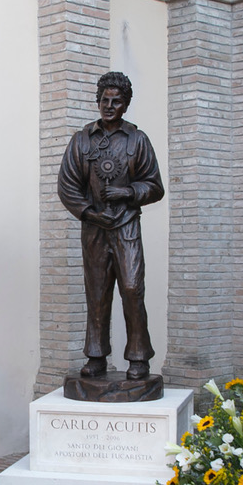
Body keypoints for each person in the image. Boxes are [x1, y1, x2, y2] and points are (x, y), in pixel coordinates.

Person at [57, 71, 164, 380]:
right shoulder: (81, 140)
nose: (109, 106)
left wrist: (128, 192)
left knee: (132, 289)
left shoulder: (137, 140)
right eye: (104, 100)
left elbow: (154, 186)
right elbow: (67, 186)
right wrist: (89, 213)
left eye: (116, 101)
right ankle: (96, 355)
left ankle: (139, 357)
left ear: (125, 105)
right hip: (94, 228)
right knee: (98, 292)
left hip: (127, 227)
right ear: (97, 101)